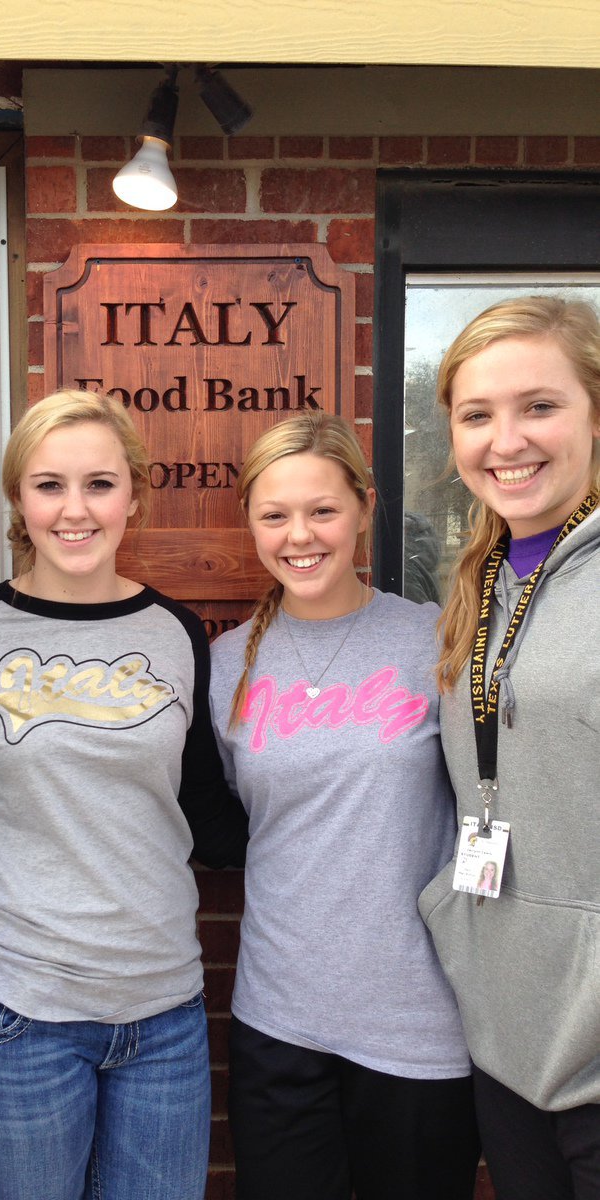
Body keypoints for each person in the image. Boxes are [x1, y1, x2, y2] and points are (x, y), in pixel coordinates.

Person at [0, 388, 248, 1200]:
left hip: (163, 1013)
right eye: (49, 485)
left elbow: (207, 815)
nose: (75, 510)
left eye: (100, 484)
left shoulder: (174, 633)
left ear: (133, 496)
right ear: (18, 498)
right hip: (9, 1008)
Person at [208, 412, 480, 1200]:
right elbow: (228, 822)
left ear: (364, 508)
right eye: (275, 515)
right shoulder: (224, 665)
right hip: (278, 1020)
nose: (300, 535)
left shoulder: (436, 642)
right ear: (250, 522)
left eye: (323, 510)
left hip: (420, 1026)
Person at [418, 295, 600, 1200]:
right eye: (476, 415)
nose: (506, 440)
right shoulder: (480, 582)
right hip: (510, 1038)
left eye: (540, 406)